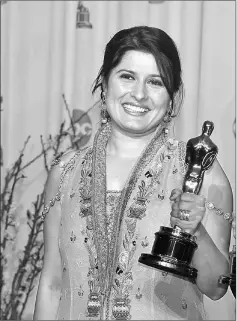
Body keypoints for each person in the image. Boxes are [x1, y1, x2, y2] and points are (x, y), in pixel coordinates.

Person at [33, 26, 234, 320]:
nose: (139, 94)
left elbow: (216, 287)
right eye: (127, 76)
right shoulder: (66, 172)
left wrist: (196, 232)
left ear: (172, 96)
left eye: (155, 82)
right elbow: (51, 284)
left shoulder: (199, 169)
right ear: (104, 83)